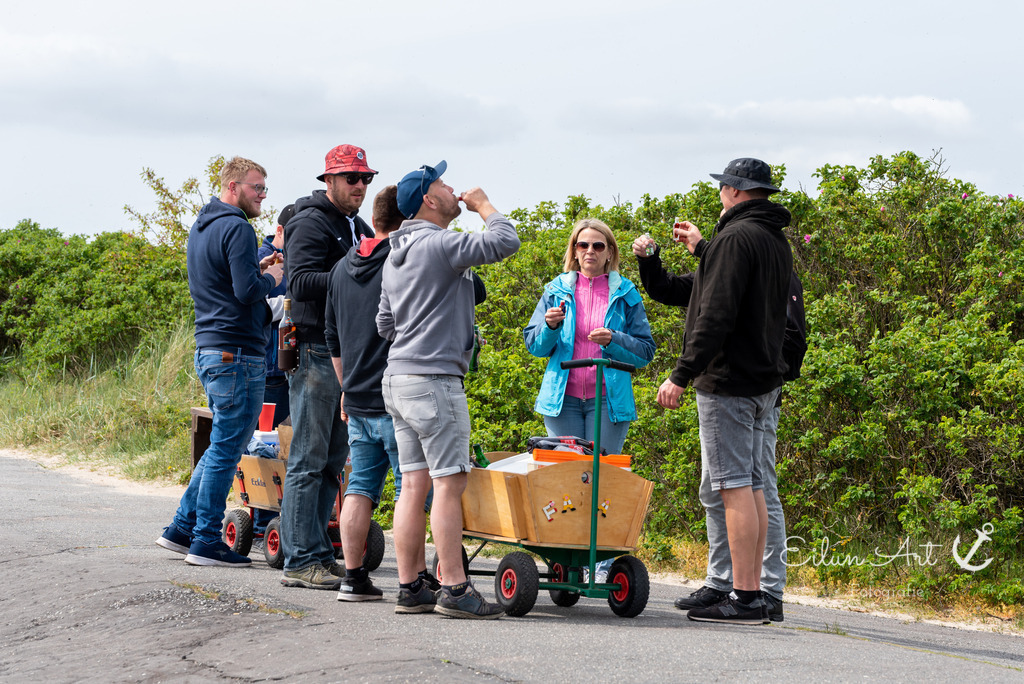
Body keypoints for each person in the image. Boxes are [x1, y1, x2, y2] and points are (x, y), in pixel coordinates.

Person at [634, 217, 806, 623]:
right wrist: (656, 259)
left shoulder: (759, 265)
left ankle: (763, 590)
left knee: (748, 485)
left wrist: (682, 373)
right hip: (749, 386)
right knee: (721, 487)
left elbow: (725, 314)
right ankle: (723, 580)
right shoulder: (745, 254)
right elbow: (672, 290)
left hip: (745, 387)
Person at [377, 161, 520, 618]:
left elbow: (384, 323)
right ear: (429, 199)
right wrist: (484, 207)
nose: (452, 188)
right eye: (443, 183)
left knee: (412, 485)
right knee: (448, 484)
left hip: (397, 378)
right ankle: (455, 589)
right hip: (435, 379)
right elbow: (505, 240)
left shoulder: (395, 251)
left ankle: (410, 586)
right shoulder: (440, 243)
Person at [155, 156, 283, 567]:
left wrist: (254, 268)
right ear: (233, 188)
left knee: (218, 447)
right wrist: (273, 281)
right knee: (227, 451)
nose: (263, 195)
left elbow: (229, 281)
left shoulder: (203, 227)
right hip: (237, 353)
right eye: (257, 187)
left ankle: (180, 529)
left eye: (264, 188)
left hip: (210, 348)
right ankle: (205, 539)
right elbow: (248, 293)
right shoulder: (238, 227)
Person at [325, 185, 438, 601]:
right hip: (401, 395)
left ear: (373, 221)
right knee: (415, 489)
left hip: (356, 396)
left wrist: (345, 388)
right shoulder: (408, 257)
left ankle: (353, 578)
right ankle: (418, 578)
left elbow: (332, 337)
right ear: (410, 219)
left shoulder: (341, 268)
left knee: (360, 489)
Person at [280, 145, 377, 590]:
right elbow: (298, 282)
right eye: (352, 178)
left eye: (365, 179)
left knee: (333, 461)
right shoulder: (309, 221)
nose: (360, 186)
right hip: (315, 350)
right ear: (329, 180)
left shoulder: (354, 224)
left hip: (342, 354)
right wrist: (354, 271)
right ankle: (300, 560)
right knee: (308, 458)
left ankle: (317, 552)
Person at [523, 218, 656, 455]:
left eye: (598, 246)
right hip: (562, 403)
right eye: (583, 245)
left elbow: (645, 352)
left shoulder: (627, 293)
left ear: (610, 252)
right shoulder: (554, 291)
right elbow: (535, 347)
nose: (590, 251)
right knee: (567, 478)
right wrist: (550, 328)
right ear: (574, 251)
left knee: (600, 478)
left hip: (608, 402)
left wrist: (613, 339)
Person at [257, 204, 296, 428]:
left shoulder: (293, 260)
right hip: (269, 368)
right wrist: (295, 305)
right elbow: (254, 307)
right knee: (264, 439)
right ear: (279, 230)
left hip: (286, 368)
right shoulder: (262, 258)